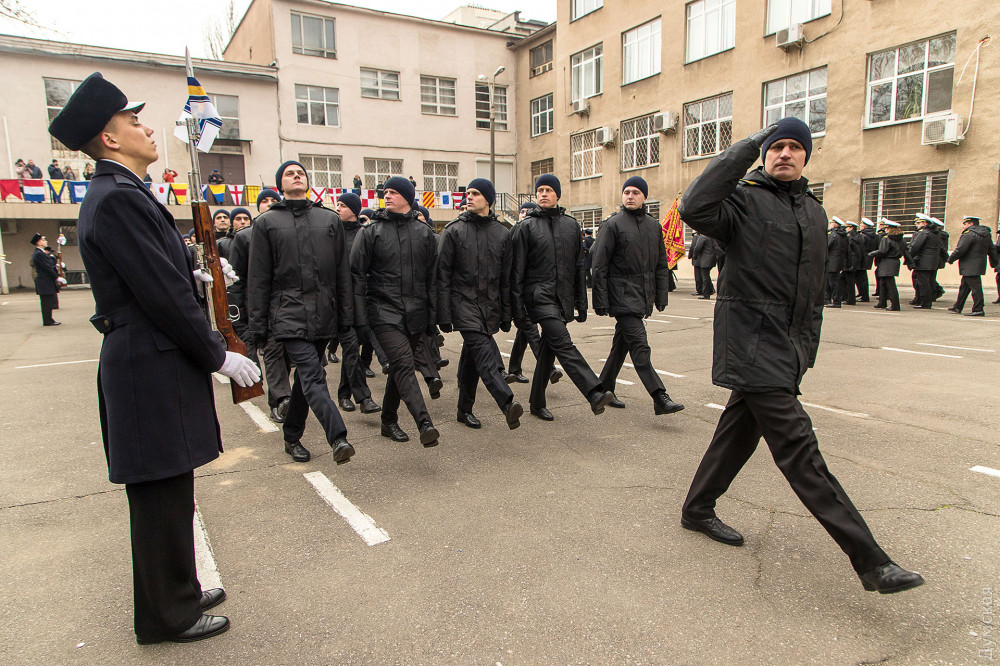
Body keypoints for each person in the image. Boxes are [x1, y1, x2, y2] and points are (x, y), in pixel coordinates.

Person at [49, 72, 260, 643]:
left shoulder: (125, 192)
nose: (146, 128)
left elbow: (155, 274)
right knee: (159, 495)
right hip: (147, 360)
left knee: (172, 488)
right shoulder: (119, 198)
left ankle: (180, 591)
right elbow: (159, 295)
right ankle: (167, 615)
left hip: (152, 356)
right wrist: (217, 354)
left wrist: (193, 273)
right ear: (110, 139)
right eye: (133, 120)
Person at [678, 117, 924, 594]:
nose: (785, 153)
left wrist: (805, 349)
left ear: (806, 156)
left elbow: (812, 292)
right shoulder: (741, 200)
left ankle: (697, 508)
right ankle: (872, 562)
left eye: (795, 146)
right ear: (764, 153)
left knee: (738, 433)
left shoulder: (813, 211)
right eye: (776, 146)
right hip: (750, 341)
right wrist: (748, 144)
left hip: (788, 348)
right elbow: (694, 205)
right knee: (799, 449)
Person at [248, 160, 356, 465]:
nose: (296, 176)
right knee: (313, 374)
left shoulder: (329, 219)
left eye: (300, 173)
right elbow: (258, 279)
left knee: (305, 382)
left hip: (324, 314)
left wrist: (346, 318)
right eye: (289, 174)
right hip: (287, 315)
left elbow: (342, 274)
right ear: (280, 185)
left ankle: (291, 436)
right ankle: (338, 437)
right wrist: (257, 327)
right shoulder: (266, 223)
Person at [511, 174, 616, 421]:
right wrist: (517, 310)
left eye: (549, 190)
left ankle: (537, 403)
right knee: (564, 343)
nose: (543, 194)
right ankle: (594, 391)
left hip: (562, 298)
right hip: (538, 297)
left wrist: (581, 303)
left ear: (557, 195)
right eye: (540, 190)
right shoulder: (526, 227)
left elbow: (578, 267)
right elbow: (516, 272)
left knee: (549, 349)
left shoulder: (570, 226)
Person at [352, 176, 441, 446]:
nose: (387, 196)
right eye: (385, 192)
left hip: (415, 314)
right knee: (402, 364)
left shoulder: (424, 233)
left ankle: (388, 420)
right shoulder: (371, 231)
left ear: (408, 198)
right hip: (383, 312)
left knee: (401, 368)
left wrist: (433, 318)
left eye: (393, 192)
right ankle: (424, 423)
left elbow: (432, 279)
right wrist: (360, 319)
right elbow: (356, 276)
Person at [592, 176, 684, 415]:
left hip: (642, 296)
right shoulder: (612, 224)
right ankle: (659, 396)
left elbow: (661, 265)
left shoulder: (654, 226)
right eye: (627, 192)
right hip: (621, 297)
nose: (630, 196)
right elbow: (599, 266)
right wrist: (601, 300)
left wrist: (660, 296)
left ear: (644, 197)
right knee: (640, 345)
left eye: (635, 193)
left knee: (621, 345)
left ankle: (603, 389)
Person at [437, 178, 523, 430]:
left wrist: (506, 314)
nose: (469, 197)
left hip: (489, 306)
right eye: (468, 193)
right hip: (462, 303)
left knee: (472, 358)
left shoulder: (503, 234)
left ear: (488, 200)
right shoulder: (453, 231)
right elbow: (442, 276)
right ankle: (506, 402)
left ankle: (464, 410)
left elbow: (506, 280)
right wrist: (443, 314)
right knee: (484, 353)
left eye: (475, 193)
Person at [331, 192, 381, 415]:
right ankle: (364, 398)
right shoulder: (332, 233)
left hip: (361, 300)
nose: (338, 208)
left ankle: (344, 394)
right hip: (339, 301)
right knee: (351, 347)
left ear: (354, 210)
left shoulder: (364, 234)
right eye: (338, 204)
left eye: (343, 205)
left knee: (354, 348)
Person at [507, 201, 563, 386]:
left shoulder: (536, 232)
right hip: (519, 292)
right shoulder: (515, 232)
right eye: (522, 211)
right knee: (531, 331)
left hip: (533, 291)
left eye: (528, 211)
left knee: (524, 333)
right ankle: (549, 369)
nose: (524, 214)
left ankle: (514, 369)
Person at [248, 188, 292, 423]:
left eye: (272, 200)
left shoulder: (289, 233)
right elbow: (248, 280)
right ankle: (280, 400)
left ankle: (286, 398)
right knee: (273, 354)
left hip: (289, 306)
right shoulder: (246, 237)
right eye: (263, 201)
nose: (268, 204)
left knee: (287, 358)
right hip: (264, 307)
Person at [226, 207, 258, 368]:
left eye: (246, 218)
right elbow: (235, 280)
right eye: (238, 219)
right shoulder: (226, 243)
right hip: (243, 303)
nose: (243, 222)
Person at [947, 216, 997, 317]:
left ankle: (978, 309)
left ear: (971, 224)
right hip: (978, 264)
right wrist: (995, 263)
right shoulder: (986, 234)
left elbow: (960, 249)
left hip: (969, 265)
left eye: (965, 224)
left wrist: (950, 259)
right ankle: (958, 306)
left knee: (975, 288)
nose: (963, 226)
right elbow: (992, 250)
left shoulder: (969, 234)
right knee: (964, 287)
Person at [870, 218, 908, 311]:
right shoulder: (901, 239)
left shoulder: (886, 238)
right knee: (883, 283)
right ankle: (882, 302)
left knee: (890, 285)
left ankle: (895, 305)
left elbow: (883, 251)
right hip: (894, 261)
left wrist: (872, 253)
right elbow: (905, 250)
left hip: (886, 261)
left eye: (886, 228)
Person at [909, 212, 943, 309]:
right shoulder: (936, 233)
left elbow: (916, 246)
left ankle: (925, 303)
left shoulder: (924, 233)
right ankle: (927, 301)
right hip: (933, 262)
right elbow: (941, 248)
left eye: (919, 223)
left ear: (924, 223)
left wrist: (909, 257)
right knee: (929, 282)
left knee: (923, 283)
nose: (917, 225)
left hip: (923, 262)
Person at [30, 233, 62, 325]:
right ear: (38, 242)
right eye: (43, 240)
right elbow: (47, 267)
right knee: (46, 302)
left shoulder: (41, 253)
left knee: (49, 301)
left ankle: (49, 319)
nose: (45, 241)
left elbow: (49, 264)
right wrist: (56, 277)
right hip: (44, 280)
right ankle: (47, 320)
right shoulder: (38, 254)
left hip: (46, 280)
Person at [825, 217, 847, 307]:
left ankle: (836, 301)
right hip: (838, 262)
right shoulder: (843, 235)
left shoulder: (834, 235)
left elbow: (826, 246)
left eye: (831, 223)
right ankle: (829, 300)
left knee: (833, 283)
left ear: (834, 224)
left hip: (832, 262)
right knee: (832, 282)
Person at [689, 231, 717, 298]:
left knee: (705, 277)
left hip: (705, 260)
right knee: (706, 276)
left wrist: (695, 256)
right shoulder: (712, 236)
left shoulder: (702, 237)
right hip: (712, 258)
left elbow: (697, 248)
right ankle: (710, 290)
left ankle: (706, 294)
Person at [856, 218, 878, 302]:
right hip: (868, 257)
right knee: (862, 277)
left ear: (865, 226)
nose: (860, 226)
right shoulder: (873, 235)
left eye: (861, 224)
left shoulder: (863, 235)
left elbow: (860, 247)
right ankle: (862, 293)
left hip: (862, 257)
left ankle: (864, 295)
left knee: (861, 278)